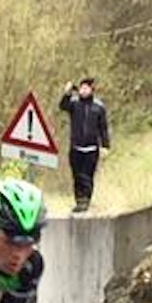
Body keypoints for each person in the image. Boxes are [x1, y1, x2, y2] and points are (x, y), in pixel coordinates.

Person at [58, 76, 110, 213]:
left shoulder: (98, 107)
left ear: (92, 90)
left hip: (91, 148)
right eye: (81, 88)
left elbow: (103, 128)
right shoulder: (74, 104)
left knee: (88, 176)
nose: (83, 90)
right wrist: (67, 93)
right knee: (77, 175)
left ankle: (86, 200)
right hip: (76, 147)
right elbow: (62, 106)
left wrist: (105, 146)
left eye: (86, 88)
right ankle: (79, 200)